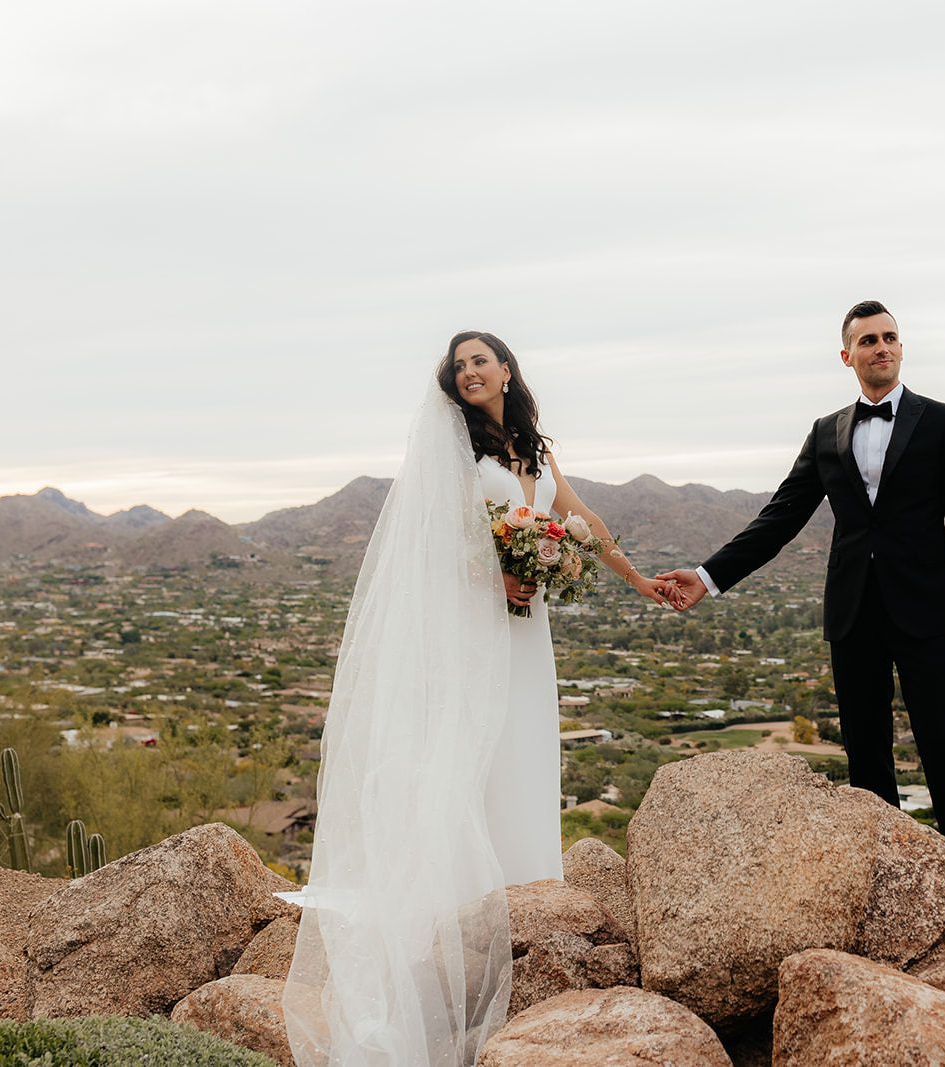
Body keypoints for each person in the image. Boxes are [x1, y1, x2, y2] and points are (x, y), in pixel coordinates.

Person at [282, 331, 670, 1066]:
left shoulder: (537, 449)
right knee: (477, 758)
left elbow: (584, 522)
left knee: (524, 753)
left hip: (530, 637)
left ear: (506, 369)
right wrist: (494, 575)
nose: (469, 371)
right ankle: (462, 938)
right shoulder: (455, 456)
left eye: (479, 360)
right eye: (459, 365)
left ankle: (529, 902)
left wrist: (641, 580)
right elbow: (439, 542)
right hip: (478, 629)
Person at [657, 300, 945, 909]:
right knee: (866, 757)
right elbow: (780, 518)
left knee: (943, 746)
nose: (881, 347)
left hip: (924, 611)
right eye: (867, 340)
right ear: (847, 356)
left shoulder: (943, 421)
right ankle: (881, 896)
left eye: (890, 337)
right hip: (852, 614)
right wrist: (708, 577)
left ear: (902, 348)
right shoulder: (826, 432)